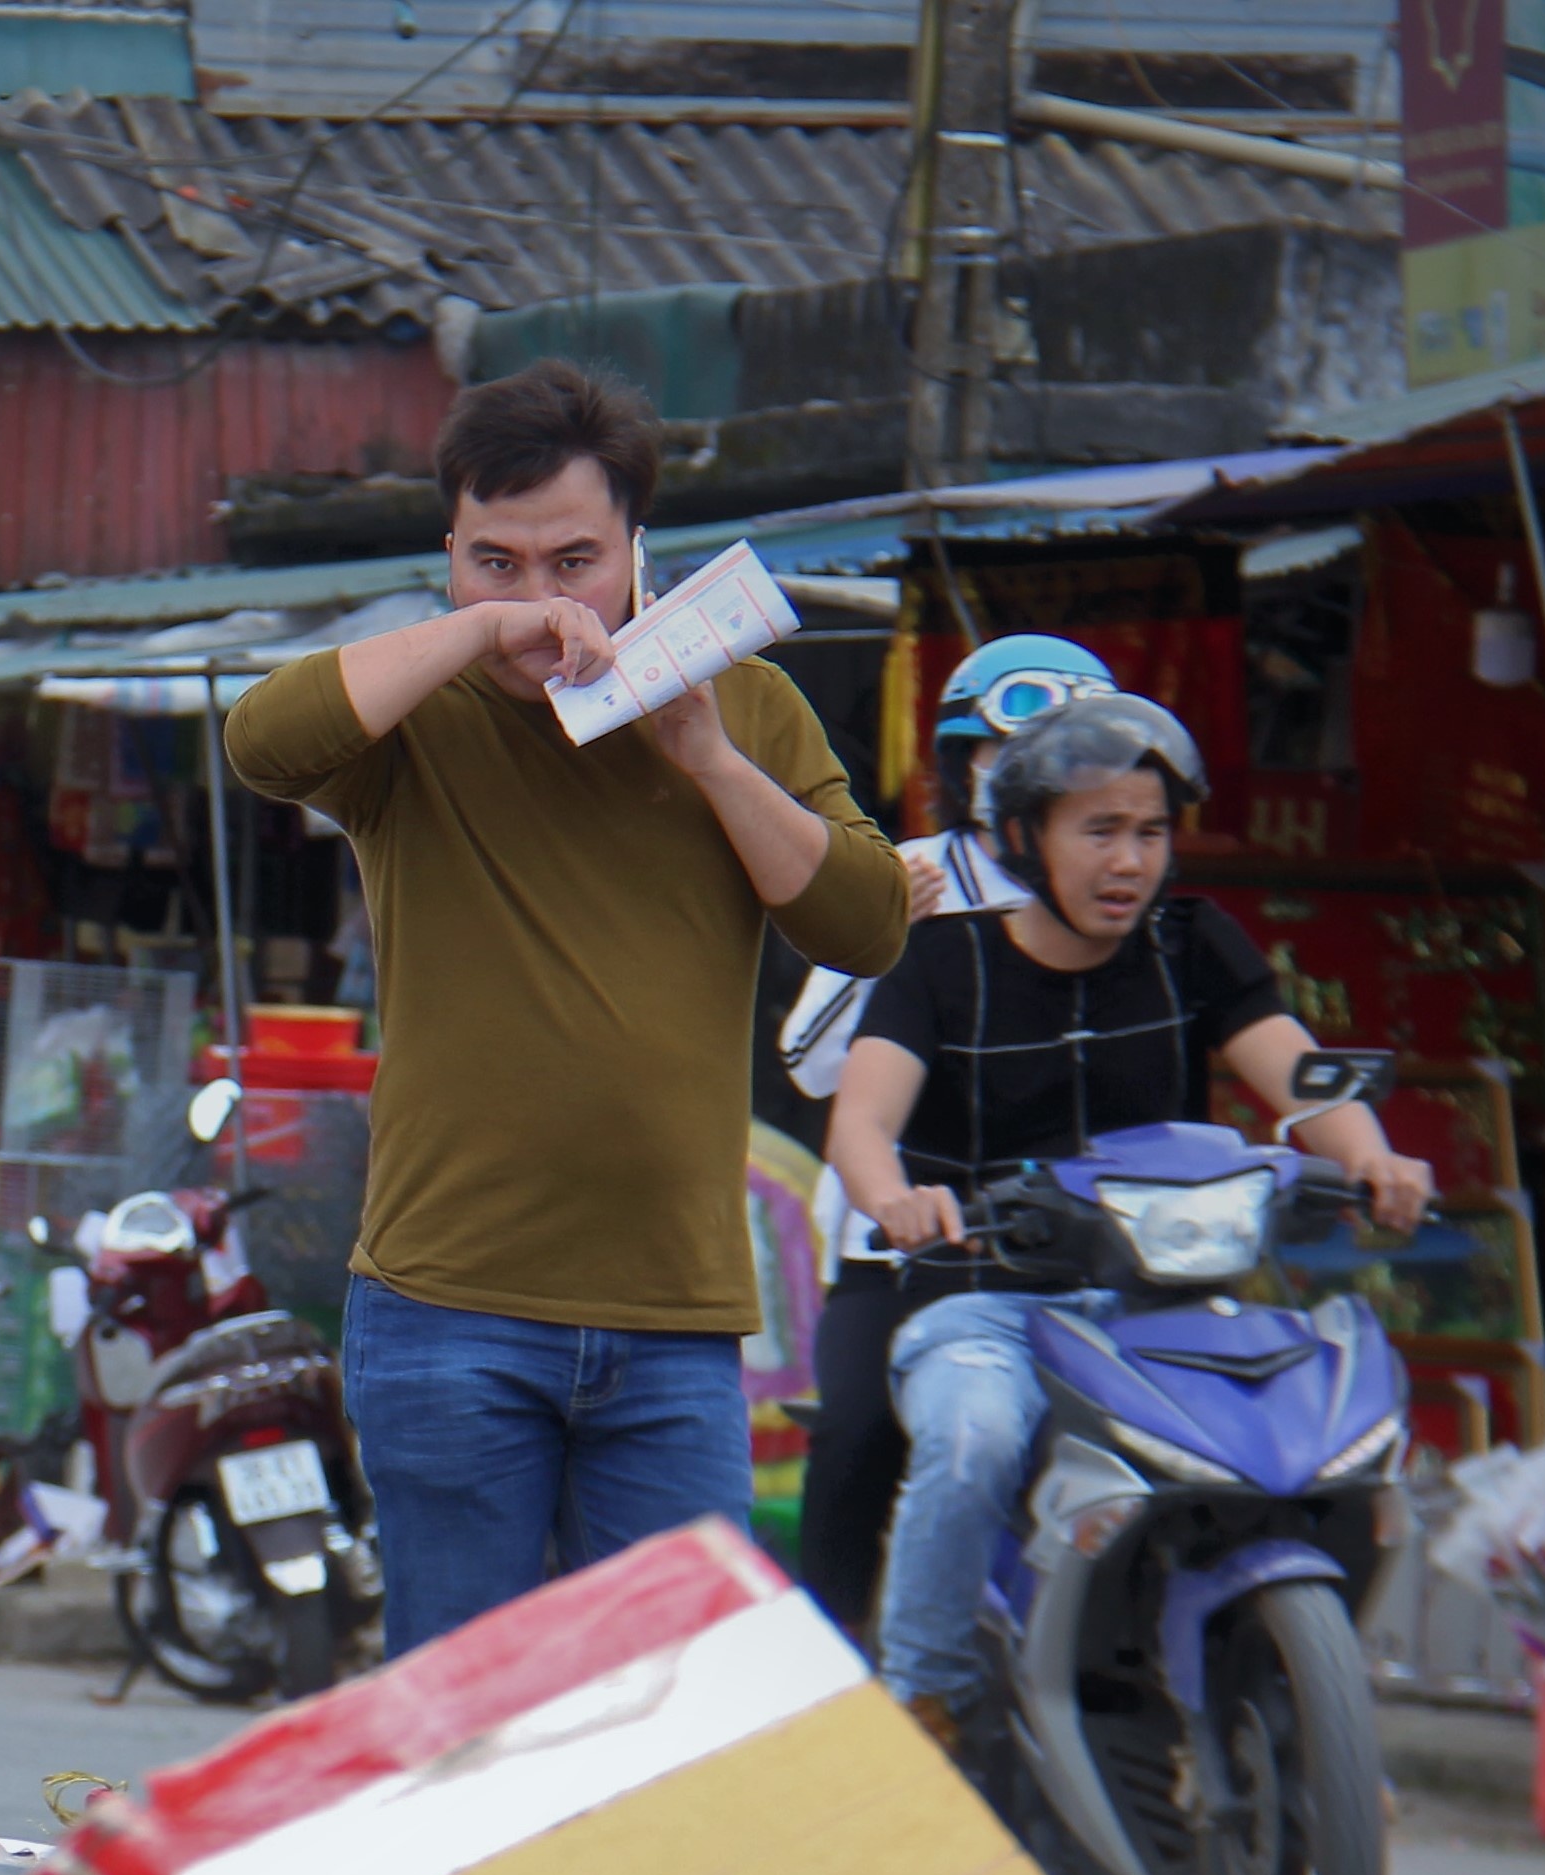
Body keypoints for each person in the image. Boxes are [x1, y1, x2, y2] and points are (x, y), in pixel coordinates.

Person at [223, 359, 906, 1654]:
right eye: (497, 563)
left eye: (575, 563)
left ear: (639, 551)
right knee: (468, 1711)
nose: (542, 602)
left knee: (676, 1710)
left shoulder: (743, 700)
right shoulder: (415, 714)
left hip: (672, 1322)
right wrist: (479, 635)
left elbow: (865, 923)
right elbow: (263, 741)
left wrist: (707, 758)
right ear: (448, 557)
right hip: (448, 1308)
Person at [824, 692, 1434, 1744]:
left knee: (1320, 1449)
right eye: (1098, 830)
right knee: (973, 1442)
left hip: (1168, 1312)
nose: (1129, 861)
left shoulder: (1192, 945)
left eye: (1149, 832)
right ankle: (924, 1696)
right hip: (987, 1307)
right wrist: (895, 1199)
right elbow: (861, 1123)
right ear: (1026, 838)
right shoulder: (937, 963)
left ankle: (1310, 1723)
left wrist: (1371, 1155)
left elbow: (1298, 1078)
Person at [776, 633, 1118, 1645]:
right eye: (1005, 755)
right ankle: (834, 1669)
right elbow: (807, 1065)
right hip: (903, 1245)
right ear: (964, 766)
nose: (1033, 778)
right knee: (854, 1442)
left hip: (1080, 1244)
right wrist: (883, 938)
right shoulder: (909, 873)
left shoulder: (1120, 885)